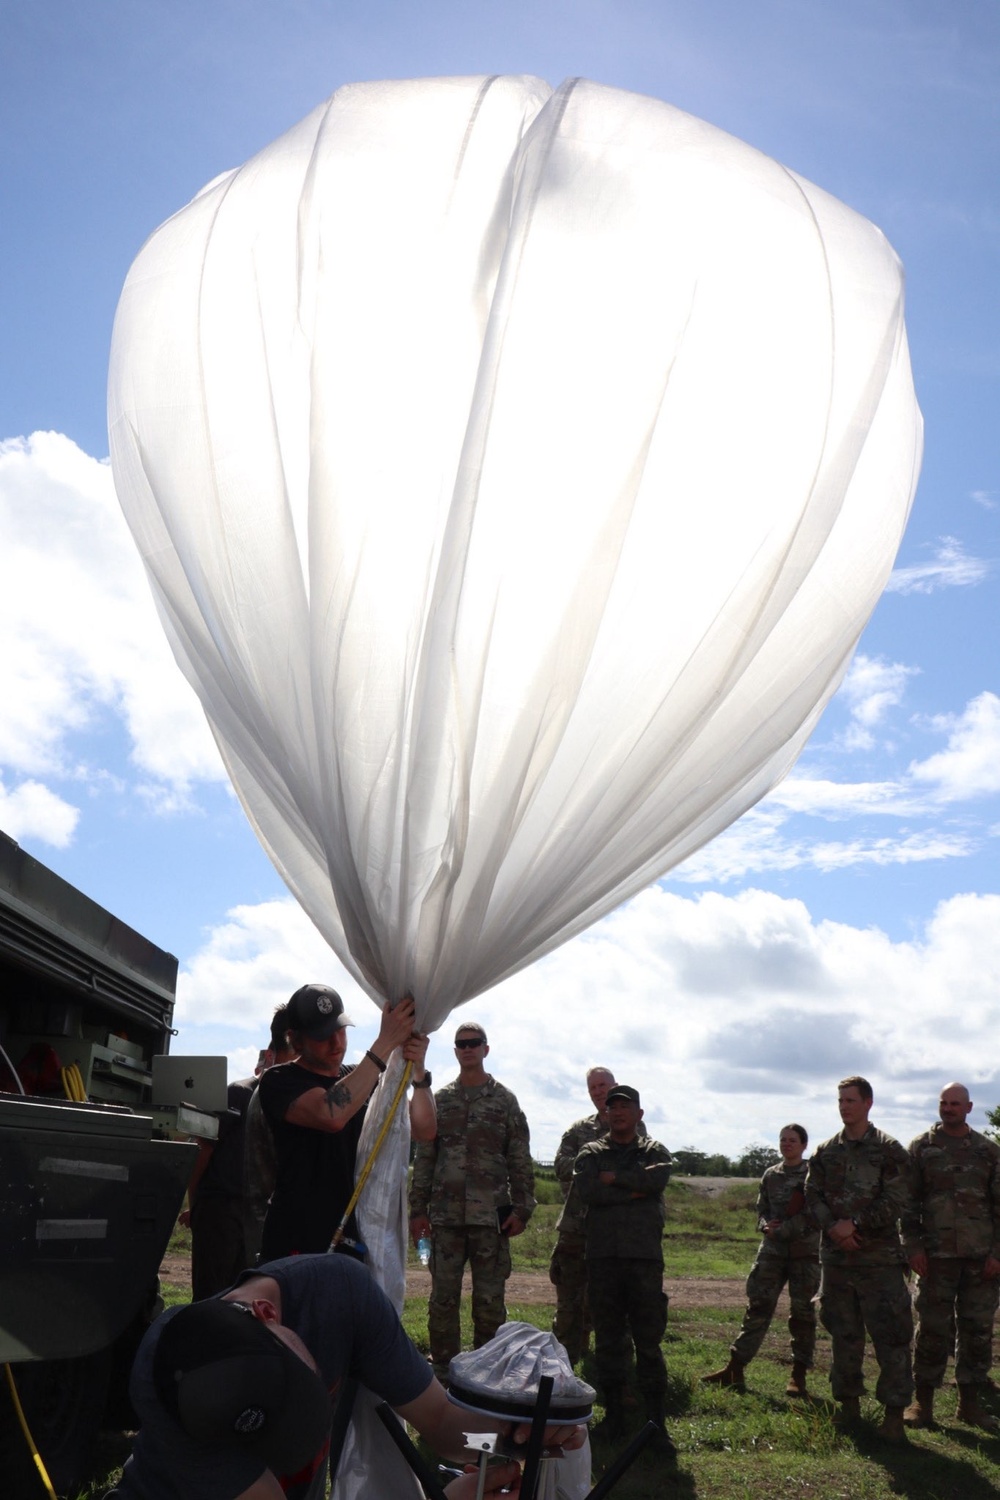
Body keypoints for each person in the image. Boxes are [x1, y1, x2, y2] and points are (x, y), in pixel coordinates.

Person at [108, 1251, 582, 1499]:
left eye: (303, 1395)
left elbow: (441, 1424)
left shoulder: (340, 1296)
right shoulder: (171, 1381)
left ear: (268, 1312)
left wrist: (521, 1438)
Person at [258, 985, 435, 1261]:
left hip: (351, 1238)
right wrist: (385, 1043)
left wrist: (419, 1072)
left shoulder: (361, 1078)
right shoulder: (279, 1081)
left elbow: (424, 1131)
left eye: (340, 1030)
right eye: (322, 1036)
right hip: (297, 1237)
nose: (337, 1043)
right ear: (295, 1039)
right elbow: (331, 1115)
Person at [409, 1022, 535, 1380]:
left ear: (485, 1049)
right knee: (442, 1301)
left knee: (490, 1303)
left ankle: (488, 1374)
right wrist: (418, 1210)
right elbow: (426, 1156)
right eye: (461, 1044)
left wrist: (524, 1208)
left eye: (474, 1043)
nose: (467, 1049)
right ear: (454, 1051)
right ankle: (445, 1373)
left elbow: (519, 1159)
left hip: (490, 1219)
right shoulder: (440, 1100)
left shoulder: (504, 1101)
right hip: (445, 1219)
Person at [805, 1075, 913, 1442]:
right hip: (837, 1262)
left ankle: (894, 1416)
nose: (843, 1106)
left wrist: (855, 1224)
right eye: (840, 1100)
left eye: (850, 1100)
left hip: (879, 1262)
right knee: (843, 1336)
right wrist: (835, 1227)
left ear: (868, 1103)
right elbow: (811, 1194)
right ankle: (848, 1408)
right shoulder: (825, 1152)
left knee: (892, 1338)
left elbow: (897, 1199)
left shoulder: (890, 1150)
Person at [573, 1085, 675, 1457]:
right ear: (605, 1114)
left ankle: (656, 1423)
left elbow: (658, 1179)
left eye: (624, 1107)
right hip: (603, 1259)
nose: (617, 1112)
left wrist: (615, 1179)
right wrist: (635, 1189)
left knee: (649, 1341)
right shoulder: (591, 1153)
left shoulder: (654, 1151)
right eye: (612, 1106)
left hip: (644, 1259)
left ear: (638, 1114)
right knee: (609, 1340)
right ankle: (614, 1416)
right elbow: (588, 1192)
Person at [902, 1081, 1000, 1431]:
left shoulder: (988, 1151)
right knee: (930, 1330)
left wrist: (997, 1254)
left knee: (977, 1332)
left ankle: (969, 1405)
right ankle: (922, 1404)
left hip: (980, 1261)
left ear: (969, 1108)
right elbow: (908, 1205)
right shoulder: (921, 1148)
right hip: (934, 1259)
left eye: (955, 1104)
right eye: (944, 1103)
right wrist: (913, 1248)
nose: (948, 1109)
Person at [702, 1124, 820, 1396]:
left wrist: (785, 1229)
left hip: (805, 1254)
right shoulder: (771, 1174)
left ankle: (798, 1376)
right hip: (772, 1252)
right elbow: (762, 1208)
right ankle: (735, 1368)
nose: (786, 1144)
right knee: (757, 1307)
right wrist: (766, 1225)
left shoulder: (814, 1175)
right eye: (783, 1140)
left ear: (804, 1145)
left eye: (792, 1140)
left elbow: (815, 1212)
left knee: (802, 1315)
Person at [550, 1067, 645, 1365]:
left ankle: (612, 1367)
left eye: (603, 1085)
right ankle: (564, 1362)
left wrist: (609, 1175)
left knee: (611, 1299)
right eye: (593, 1088)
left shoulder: (635, 1129)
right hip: (576, 1227)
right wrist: (594, 1167)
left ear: (615, 1085)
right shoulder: (578, 1130)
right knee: (569, 1299)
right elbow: (560, 1165)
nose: (598, 1091)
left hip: (617, 1230)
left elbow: (640, 1172)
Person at [181, 1069, 257, 1299]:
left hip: (251, 1214)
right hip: (221, 1207)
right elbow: (204, 1147)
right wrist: (197, 1205)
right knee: (210, 1293)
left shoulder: (279, 1100)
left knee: (240, 1293)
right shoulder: (239, 1093)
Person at [243, 1005, 297, 1264]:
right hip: (275, 1233)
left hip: (269, 1229)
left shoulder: (276, 1086)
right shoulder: (279, 1089)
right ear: (294, 1038)